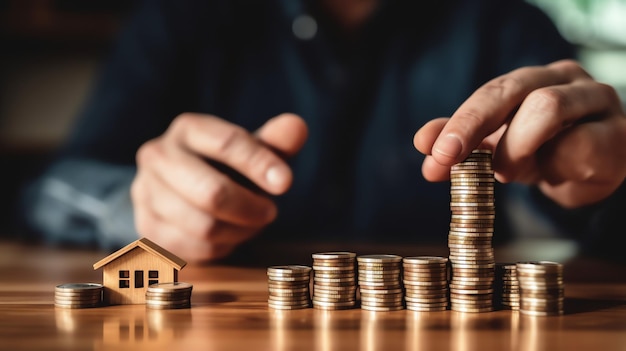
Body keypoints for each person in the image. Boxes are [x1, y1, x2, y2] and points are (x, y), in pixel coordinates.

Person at [18, 0, 626, 263]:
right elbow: (50, 190)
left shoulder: (506, 23)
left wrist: (606, 183)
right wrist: (137, 206)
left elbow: (585, 182)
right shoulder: (185, 15)